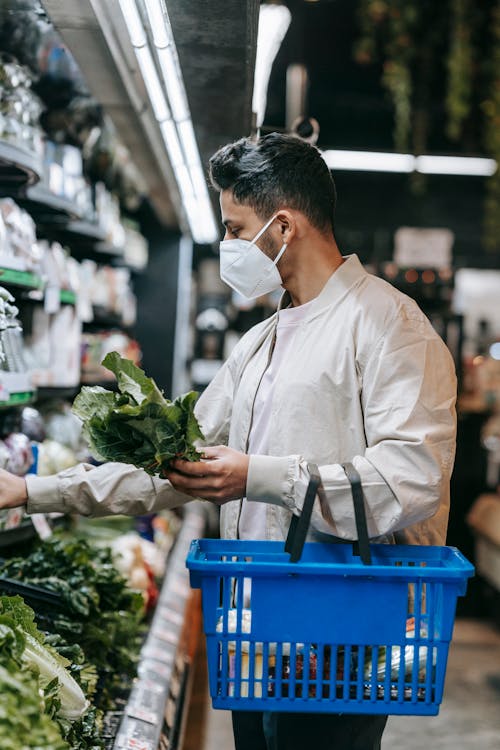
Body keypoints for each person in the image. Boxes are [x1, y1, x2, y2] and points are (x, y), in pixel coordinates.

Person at [0, 133, 457, 750]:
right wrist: (31, 489)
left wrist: (259, 476)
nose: (230, 247)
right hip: (260, 633)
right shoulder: (260, 343)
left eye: (235, 228)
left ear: (284, 226)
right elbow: (171, 464)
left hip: (343, 640)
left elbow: (412, 479)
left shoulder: (390, 327)